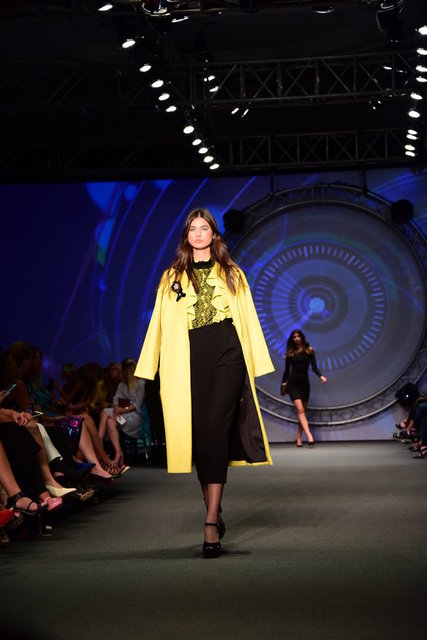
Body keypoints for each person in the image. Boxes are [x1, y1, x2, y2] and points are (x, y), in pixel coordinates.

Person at [135, 207, 274, 558]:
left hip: (227, 350)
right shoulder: (171, 277)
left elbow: (248, 318)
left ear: (214, 234)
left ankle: (211, 520)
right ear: (187, 236)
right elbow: (158, 324)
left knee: (214, 429)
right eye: (193, 229)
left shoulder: (232, 273)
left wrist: (256, 362)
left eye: (204, 228)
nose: (198, 233)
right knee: (199, 437)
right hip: (187, 356)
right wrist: (147, 367)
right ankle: (213, 504)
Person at [281, 329, 327, 447]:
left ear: (302, 337)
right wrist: (283, 385)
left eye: (298, 336)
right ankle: (309, 436)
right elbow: (286, 371)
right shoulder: (290, 353)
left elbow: (314, 367)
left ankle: (298, 438)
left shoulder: (309, 351)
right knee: (300, 410)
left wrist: (321, 376)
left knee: (302, 412)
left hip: (304, 384)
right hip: (293, 384)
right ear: (292, 339)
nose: (296, 338)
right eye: (294, 337)